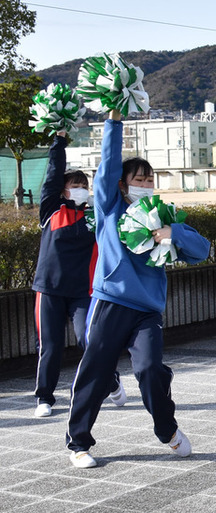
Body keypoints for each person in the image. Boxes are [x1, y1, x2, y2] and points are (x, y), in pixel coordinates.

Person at [66, 110, 211, 469]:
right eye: (138, 179)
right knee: (96, 372)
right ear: (122, 183)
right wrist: (114, 123)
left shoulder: (162, 214)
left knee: (149, 369)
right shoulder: (109, 208)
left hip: (147, 310)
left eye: (149, 179)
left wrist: (172, 233)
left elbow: (201, 250)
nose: (144, 184)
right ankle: (78, 443)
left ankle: (167, 430)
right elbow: (107, 168)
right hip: (110, 303)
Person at [32, 130, 122, 417]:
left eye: (85, 184)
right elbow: (52, 173)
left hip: (84, 291)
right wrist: (59, 141)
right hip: (49, 289)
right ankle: (44, 397)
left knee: (90, 340)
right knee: (51, 345)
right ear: (63, 190)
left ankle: (111, 380)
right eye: (75, 184)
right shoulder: (52, 210)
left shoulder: (96, 215)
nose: (81, 188)